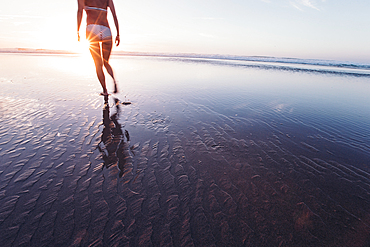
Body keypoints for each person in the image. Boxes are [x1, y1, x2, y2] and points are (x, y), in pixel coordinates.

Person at [77, 0, 120, 96]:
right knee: (105, 62)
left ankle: (105, 91)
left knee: (98, 63)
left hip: (92, 28)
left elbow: (80, 11)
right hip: (106, 29)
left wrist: (78, 31)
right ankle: (114, 82)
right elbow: (114, 15)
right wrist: (118, 34)